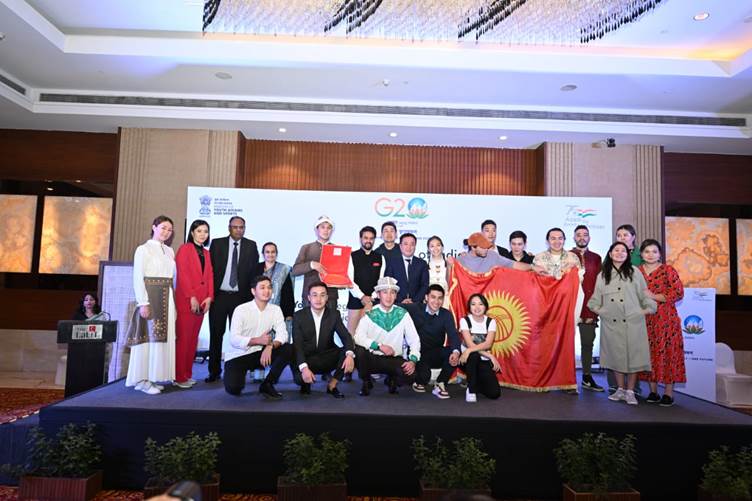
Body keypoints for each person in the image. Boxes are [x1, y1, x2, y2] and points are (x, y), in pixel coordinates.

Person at [587, 242, 656, 406]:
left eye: (623, 251)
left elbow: (644, 294)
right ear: (610, 254)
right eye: (616, 250)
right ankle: (620, 389)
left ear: (627, 254)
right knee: (616, 356)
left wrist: (645, 310)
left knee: (633, 357)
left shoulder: (635, 272)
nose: (619, 253)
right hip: (612, 323)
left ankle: (630, 391)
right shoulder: (603, 275)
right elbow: (594, 300)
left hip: (633, 322)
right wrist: (602, 311)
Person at [125, 215, 177, 395]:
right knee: (147, 339)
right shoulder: (143, 249)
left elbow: (172, 279)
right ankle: (142, 380)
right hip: (151, 298)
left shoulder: (169, 251)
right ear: (154, 227)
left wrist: (173, 304)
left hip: (167, 297)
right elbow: (137, 277)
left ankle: (152, 377)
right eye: (163, 228)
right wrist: (143, 302)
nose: (166, 232)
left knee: (161, 340)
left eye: (169, 230)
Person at [206, 216, 259, 383]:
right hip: (220, 297)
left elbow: (254, 273)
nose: (238, 230)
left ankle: (239, 372)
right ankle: (214, 371)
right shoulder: (217, 244)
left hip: (241, 298)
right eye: (235, 227)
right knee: (216, 334)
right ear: (229, 228)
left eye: (241, 227)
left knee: (241, 336)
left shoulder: (251, 246)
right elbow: (209, 271)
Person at [223, 275, 293, 399]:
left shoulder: (276, 310)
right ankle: (239, 375)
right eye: (262, 287)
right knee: (234, 389)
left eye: (269, 287)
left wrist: (270, 346)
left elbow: (283, 335)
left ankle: (267, 384)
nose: (267, 291)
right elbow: (234, 339)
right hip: (239, 355)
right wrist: (257, 340)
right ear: (253, 291)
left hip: (261, 354)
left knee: (288, 348)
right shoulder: (241, 310)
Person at [354, 276, 422, 396]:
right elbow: (358, 337)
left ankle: (392, 379)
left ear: (396, 296)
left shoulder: (403, 314)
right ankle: (366, 380)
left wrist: (413, 360)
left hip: (393, 358)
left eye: (392, 293)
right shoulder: (370, 313)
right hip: (373, 357)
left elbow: (414, 339)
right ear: (378, 295)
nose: (389, 296)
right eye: (385, 292)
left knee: (411, 376)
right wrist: (379, 346)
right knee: (359, 352)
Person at [638, 239, 686, 407]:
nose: (650, 255)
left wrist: (654, 296)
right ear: (641, 254)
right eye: (647, 251)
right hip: (644, 318)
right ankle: (653, 391)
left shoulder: (668, 270)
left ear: (660, 254)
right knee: (649, 354)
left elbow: (678, 292)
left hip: (666, 319)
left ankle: (668, 393)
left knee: (668, 354)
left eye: (654, 251)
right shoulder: (636, 271)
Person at [293, 282, 356, 398]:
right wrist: (304, 368)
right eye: (315, 295)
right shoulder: (299, 316)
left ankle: (332, 385)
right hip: (308, 359)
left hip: (327, 357)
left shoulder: (334, 314)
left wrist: (350, 355)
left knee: (349, 350)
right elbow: (298, 345)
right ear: (309, 298)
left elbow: (345, 336)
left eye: (322, 295)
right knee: (298, 377)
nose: (318, 299)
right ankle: (305, 383)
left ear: (327, 298)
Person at [174, 219, 214, 389]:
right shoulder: (185, 249)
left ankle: (187, 374)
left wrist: (209, 297)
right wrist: (191, 296)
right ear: (192, 233)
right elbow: (182, 275)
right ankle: (178, 376)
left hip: (202, 302)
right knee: (183, 339)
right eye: (199, 231)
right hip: (186, 300)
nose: (202, 234)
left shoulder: (206, 253)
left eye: (205, 231)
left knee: (192, 340)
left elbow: (210, 276)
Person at [405, 284, 461, 399]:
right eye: (433, 297)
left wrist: (456, 352)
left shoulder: (446, 314)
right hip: (417, 354)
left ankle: (440, 383)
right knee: (424, 378)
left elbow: (453, 335)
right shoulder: (415, 308)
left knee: (453, 352)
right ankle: (418, 380)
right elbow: (392, 305)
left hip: (434, 353)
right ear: (426, 297)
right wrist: (370, 304)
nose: (436, 301)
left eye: (440, 298)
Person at [609, 224, 644, 393]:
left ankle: (633, 387)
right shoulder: (611, 254)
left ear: (633, 237)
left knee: (634, 348)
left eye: (625, 235)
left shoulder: (641, 255)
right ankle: (615, 385)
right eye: (619, 235)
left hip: (634, 307)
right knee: (614, 346)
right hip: (614, 307)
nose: (622, 238)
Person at [571, 225, 603, 392]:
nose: (582, 237)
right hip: (569, 305)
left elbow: (601, 283)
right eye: (578, 235)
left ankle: (587, 376)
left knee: (587, 343)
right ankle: (566, 378)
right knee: (566, 343)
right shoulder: (567, 256)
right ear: (574, 237)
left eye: (585, 235)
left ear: (589, 238)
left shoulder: (596, 258)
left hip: (589, 305)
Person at [459, 293, 501, 403]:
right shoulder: (464, 320)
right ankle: (471, 390)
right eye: (473, 304)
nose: (477, 307)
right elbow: (470, 345)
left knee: (494, 393)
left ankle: (475, 382)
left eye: (480, 304)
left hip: (483, 361)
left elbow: (488, 344)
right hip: (466, 359)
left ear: (485, 306)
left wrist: (470, 350)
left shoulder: (491, 322)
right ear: (469, 307)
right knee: (473, 354)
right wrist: (490, 356)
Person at [291, 215, 339, 310]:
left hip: (330, 297)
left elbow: (340, 274)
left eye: (329, 228)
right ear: (316, 230)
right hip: (310, 297)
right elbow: (295, 270)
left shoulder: (337, 249)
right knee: (308, 320)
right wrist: (311, 265)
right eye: (322, 227)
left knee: (331, 320)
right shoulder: (306, 248)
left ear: (332, 231)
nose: (326, 230)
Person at [347, 225, 385, 333]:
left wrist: (371, 297)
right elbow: (349, 280)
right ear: (360, 239)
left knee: (370, 335)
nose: (368, 241)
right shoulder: (352, 256)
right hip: (355, 300)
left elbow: (381, 281)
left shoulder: (380, 257)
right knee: (351, 334)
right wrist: (362, 296)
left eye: (371, 238)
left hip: (373, 301)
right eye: (366, 238)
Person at [452, 232, 532, 274]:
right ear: (473, 247)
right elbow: (452, 283)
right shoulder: (461, 260)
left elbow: (513, 264)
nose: (486, 250)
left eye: (487, 247)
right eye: (483, 247)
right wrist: (449, 266)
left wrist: (532, 267)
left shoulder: (492, 255)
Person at [384, 233, 429, 304]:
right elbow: (389, 284)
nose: (409, 247)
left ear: (415, 246)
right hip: (397, 303)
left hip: (416, 304)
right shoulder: (392, 263)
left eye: (412, 244)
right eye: (406, 244)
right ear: (400, 246)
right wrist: (400, 299)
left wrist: (414, 301)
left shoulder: (422, 264)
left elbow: (424, 285)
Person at [425, 236, 451, 307]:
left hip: (447, 301)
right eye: (432, 246)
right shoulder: (424, 266)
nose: (435, 248)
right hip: (431, 302)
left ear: (442, 247)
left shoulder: (450, 264)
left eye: (438, 245)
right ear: (428, 249)